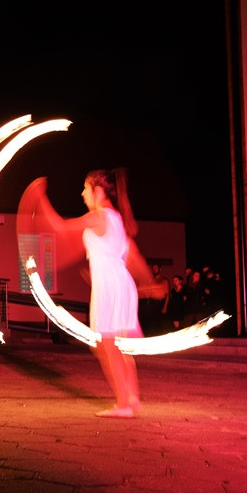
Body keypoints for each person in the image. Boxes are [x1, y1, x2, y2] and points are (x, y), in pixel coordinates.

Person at [25, 169, 149, 419]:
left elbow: (61, 227)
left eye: (85, 188)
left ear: (98, 191)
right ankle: (131, 397)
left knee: (107, 345)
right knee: (112, 345)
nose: (82, 193)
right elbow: (128, 253)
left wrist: (40, 198)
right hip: (118, 281)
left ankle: (123, 405)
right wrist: (146, 281)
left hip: (110, 284)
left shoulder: (98, 217)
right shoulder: (115, 218)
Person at [138, 263, 170, 336]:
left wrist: (165, 307)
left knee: (160, 322)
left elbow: (167, 295)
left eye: (156, 268)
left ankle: (160, 335)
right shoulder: (151, 280)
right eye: (153, 268)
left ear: (160, 269)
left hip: (160, 302)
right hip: (152, 302)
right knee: (152, 322)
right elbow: (148, 292)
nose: (154, 269)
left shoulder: (164, 280)